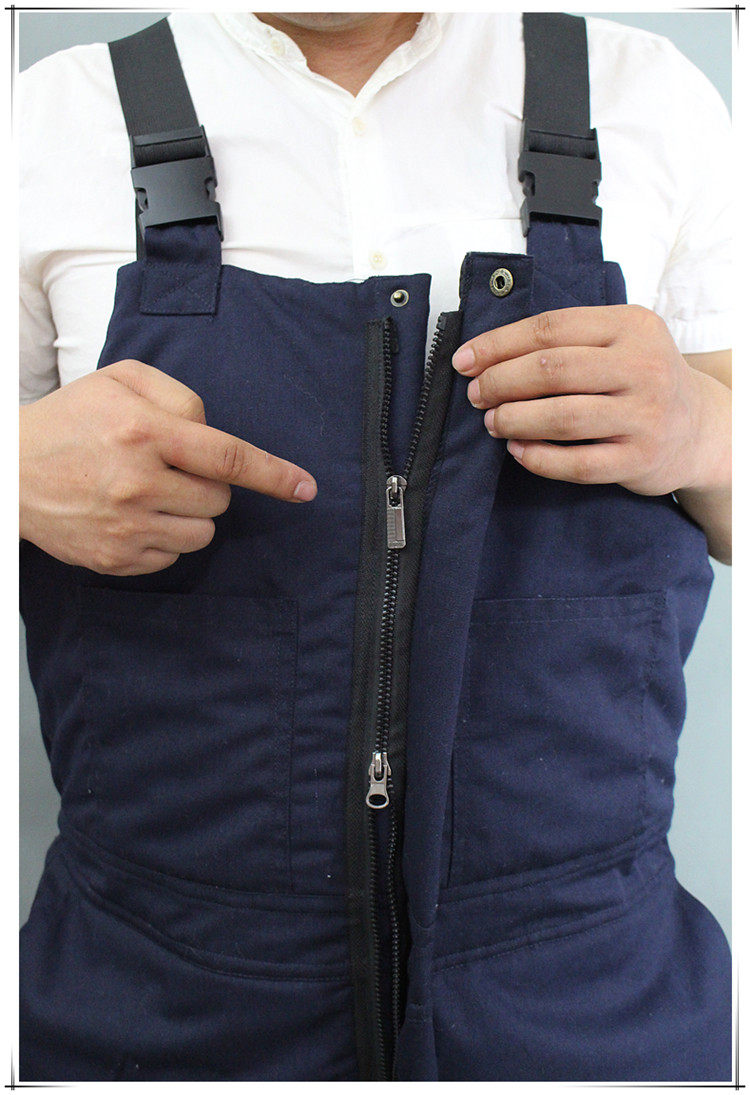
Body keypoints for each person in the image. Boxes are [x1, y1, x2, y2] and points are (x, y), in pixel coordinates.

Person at [19, 11, 732, 1082]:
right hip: (147, 1007)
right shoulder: (44, 121)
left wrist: (707, 427)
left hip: (597, 1005)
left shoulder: (650, 95)